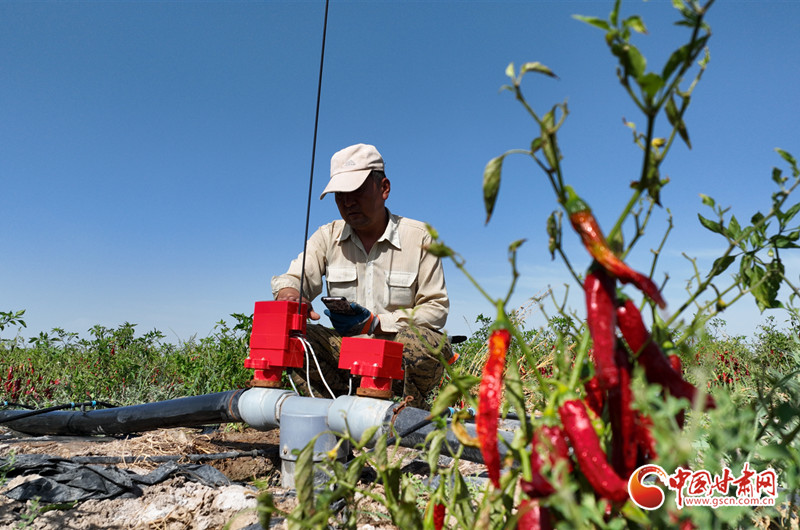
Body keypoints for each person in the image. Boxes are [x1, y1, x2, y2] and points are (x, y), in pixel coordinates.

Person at [271, 143, 453, 409]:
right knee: (295, 340)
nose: (348, 202)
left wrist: (375, 323)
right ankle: (330, 414)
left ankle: (407, 411)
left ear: (384, 188)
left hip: (397, 353)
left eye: (356, 191)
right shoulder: (327, 236)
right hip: (347, 355)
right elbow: (293, 279)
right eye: (339, 195)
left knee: (422, 342)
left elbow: (436, 309)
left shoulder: (420, 237)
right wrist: (290, 294)